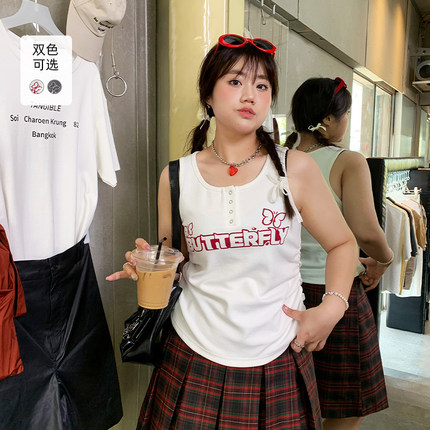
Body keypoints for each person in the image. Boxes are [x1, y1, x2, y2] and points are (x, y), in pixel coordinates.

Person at [108, 36, 358, 429]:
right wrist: (147, 266)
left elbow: (343, 243)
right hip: (192, 352)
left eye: (262, 85)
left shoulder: (295, 168)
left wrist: (332, 308)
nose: (250, 95)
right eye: (236, 81)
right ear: (208, 95)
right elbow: (174, 260)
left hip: (277, 353)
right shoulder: (176, 176)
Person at [286, 77, 392, 430]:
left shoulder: (276, 157)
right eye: (345, 114)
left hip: (285, 293)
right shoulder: (347, 161)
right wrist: (385, 259)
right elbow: (366, 231)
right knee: (346, 404)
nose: (346, 122)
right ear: (329, 119)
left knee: (291, 398)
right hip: (335, 292)